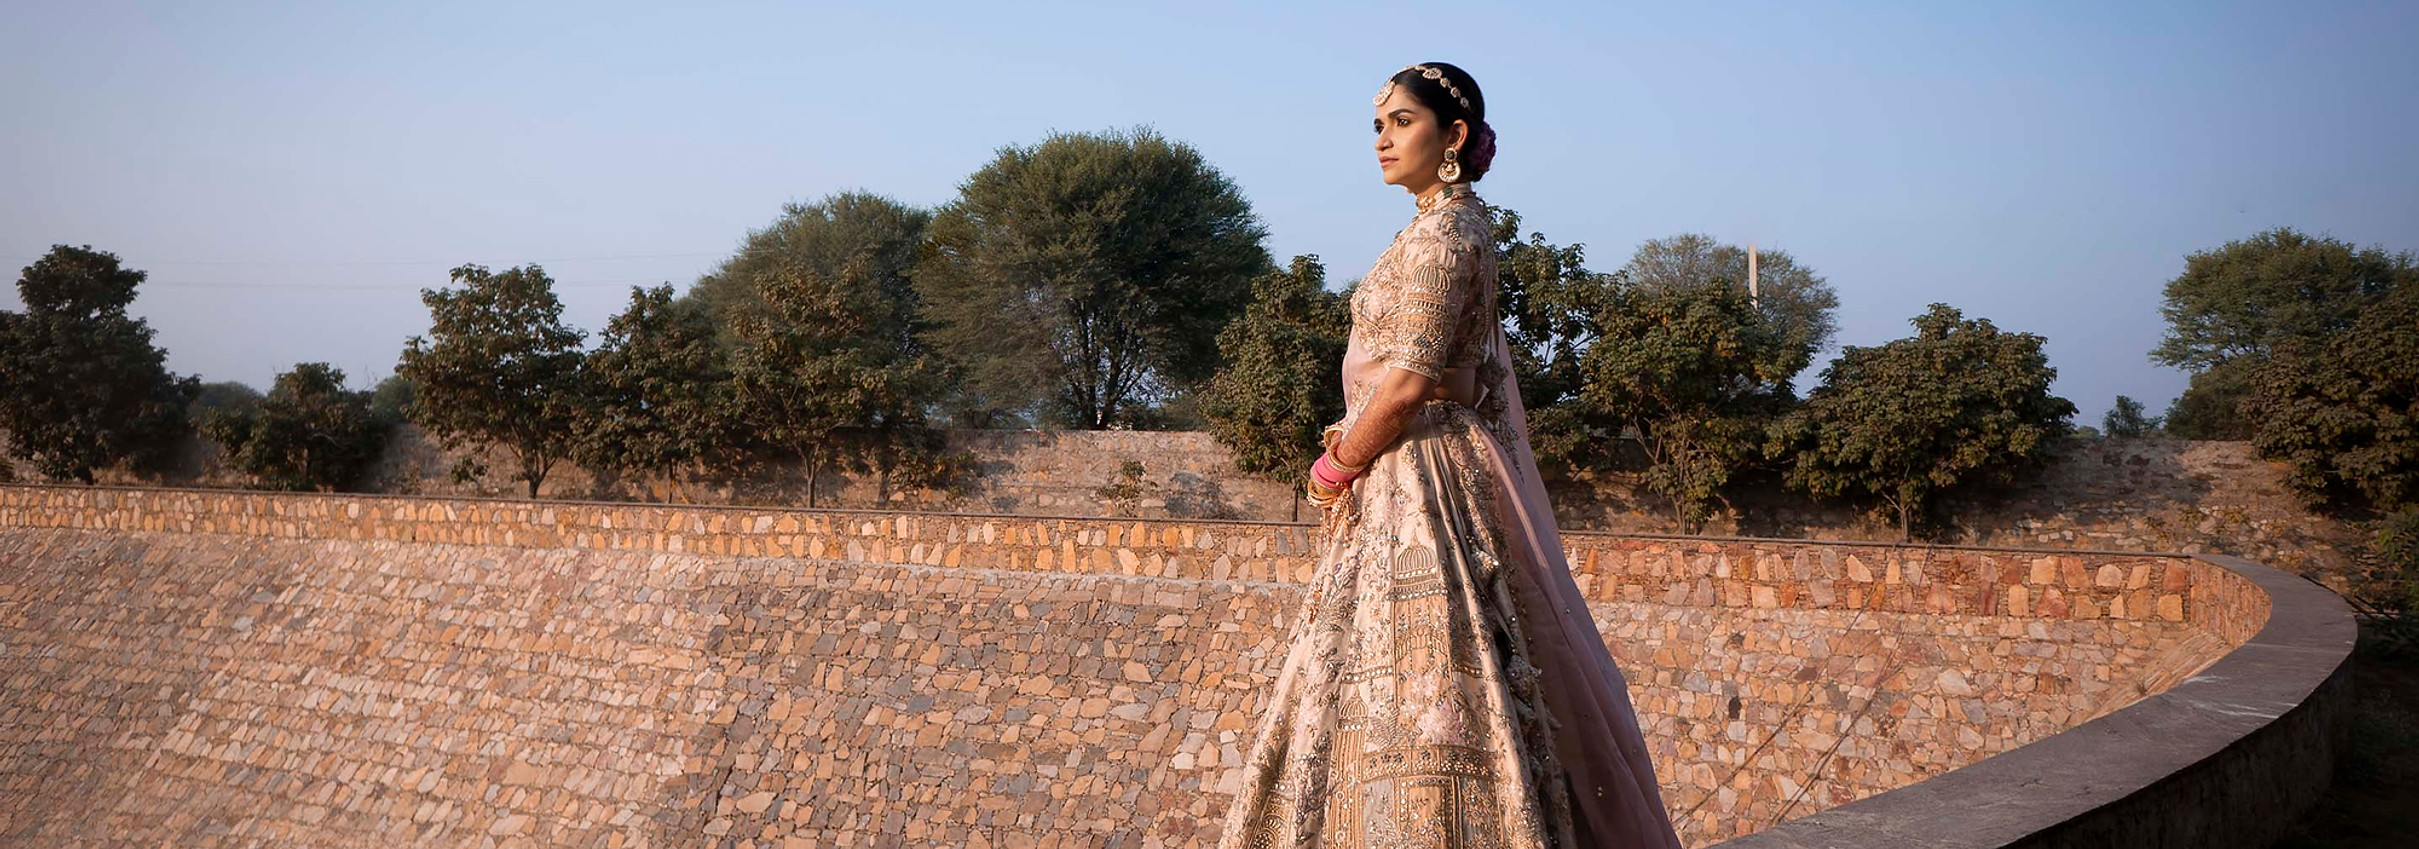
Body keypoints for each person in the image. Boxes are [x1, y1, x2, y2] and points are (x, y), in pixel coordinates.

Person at [1214, 62, 1684, 848]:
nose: (1383, 139)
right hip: (1414, 470)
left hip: (1422, 478)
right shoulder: (1441, 225)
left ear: (1453, 135)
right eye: (1378, 125)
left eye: (1401, 121)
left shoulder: (1447, 234)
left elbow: (1408, 384)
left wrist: (1335, 466)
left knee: (1431, 680)